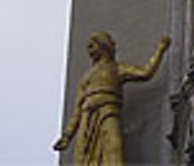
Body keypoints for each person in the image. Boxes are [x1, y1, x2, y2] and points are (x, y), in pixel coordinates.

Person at [53, 31, 170, 164]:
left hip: (108, 114)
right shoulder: (87, 77)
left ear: (103, 45)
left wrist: (160, 50)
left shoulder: (117, 69)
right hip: (88, 119)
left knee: (114, 148)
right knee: (84, 157)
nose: (89, 51)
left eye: (92, 46)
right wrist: (67, 136)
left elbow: (145, 73)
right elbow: (77, 111)